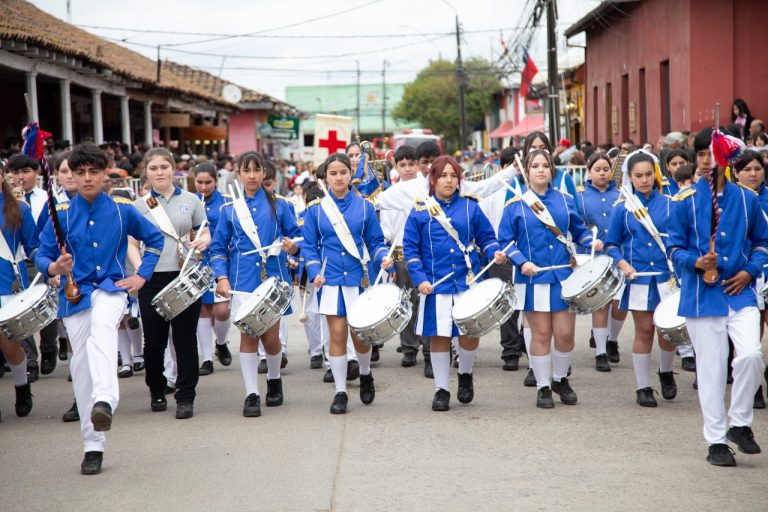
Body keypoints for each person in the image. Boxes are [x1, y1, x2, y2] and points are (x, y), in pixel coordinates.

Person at [35, 142, 164, 475]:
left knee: (104, 329)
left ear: (107, 173)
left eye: (94, 172)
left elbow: (156, 240)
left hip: (111, 288)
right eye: (81, 173)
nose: (88, 178)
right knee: (80, 364)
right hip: (74, 295)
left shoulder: (123, 209)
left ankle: (106, 400)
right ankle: (93, 445)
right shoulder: (59, 214)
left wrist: (141, 277)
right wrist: (54, 269)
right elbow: (41, 254)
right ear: (73, 177)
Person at [667, 128, 768, 466]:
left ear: (727, 160)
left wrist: (749, 271)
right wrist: (695, 262)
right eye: (701, 155)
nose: (708, 161)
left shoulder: (747, 199)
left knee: (752, 355)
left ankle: (739, 423)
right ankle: (715, 441)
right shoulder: (683, 201)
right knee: (710, 370)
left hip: (740, 293)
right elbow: (674, 247)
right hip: (701, 296)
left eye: (713, 154)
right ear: (696, 160)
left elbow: (762, 242)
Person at [499, 149, 600, 409]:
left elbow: (578, 231)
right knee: (541, 333)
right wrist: (522, 262)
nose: (541, 170)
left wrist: (591, 241)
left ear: (552, 171)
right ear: (527, 171)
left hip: (564, 275)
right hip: (534, 278)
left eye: (546, 166)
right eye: (535, 166)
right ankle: (543, 387)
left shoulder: (565, 201)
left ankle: (559, 379)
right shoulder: (515, 205)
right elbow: (506, 241)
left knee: (565, 334)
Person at [404, 156, 506, 411]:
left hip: (468, 281)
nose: (449, 180)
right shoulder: (420, 210)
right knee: (439, 336)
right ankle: (441, 389)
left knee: (469, 334)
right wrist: (420, 280)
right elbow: (411, 250)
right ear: (433, 179)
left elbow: (487, 237)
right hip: (435, 283)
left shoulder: (471, 207)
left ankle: (465, 373)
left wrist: (494, 251)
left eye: (453, 175)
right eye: (443, 176)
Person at [301, 153, 393, 414]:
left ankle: (365, 373)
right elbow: (309, 246)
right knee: (337, 334)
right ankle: (340, 391)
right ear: (325, 177)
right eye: (333, 173)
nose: (339, 177)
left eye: (343, 172)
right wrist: (315, 269)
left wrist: (383, 256)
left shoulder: (364, 207)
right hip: (330, 280)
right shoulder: (316, 209)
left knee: (361, 335)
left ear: (350, 175)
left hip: (358, 278)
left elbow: (375, 241)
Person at [211, 152, 300, 417]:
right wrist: (222, 277)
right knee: (248, 335)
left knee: (271, 338)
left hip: (273, 279)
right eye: (246, 170)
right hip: (242, 281)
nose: (251, 175)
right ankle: (252, 394)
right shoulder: (228, 210)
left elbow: (296, 239)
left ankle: (274, 379)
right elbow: (217, 249)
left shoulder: (281, 205)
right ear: (238, 173)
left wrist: (292, 246)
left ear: (264, 173)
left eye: (256, 170)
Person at [133, 147, 210, 420]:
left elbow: (204, 229)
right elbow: (132, 243)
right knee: (154, 342)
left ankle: (186, 395)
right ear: (146, 172)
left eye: (164, 167)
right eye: (153, 168)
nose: (159, 173)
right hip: (152, 279)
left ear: (173, 169)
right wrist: (140, 271)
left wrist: (204, 240)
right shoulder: (139, 206)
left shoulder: (191, 200)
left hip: (184, 276)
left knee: (185, 339)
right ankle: (156, 388)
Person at [605, 151, 678, 407]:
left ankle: (666, 372)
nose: (644, 180)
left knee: (667, 332)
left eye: (649, 174)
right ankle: (643, 387)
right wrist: (622, 262)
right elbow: (611, 244)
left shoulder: (671, 203)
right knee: (644, 329)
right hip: (638, 278)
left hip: (666, 278)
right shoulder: (622, 209)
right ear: (630, 178)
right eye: (638, 176)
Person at [6, 154, 54, 380]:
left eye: (25, 172)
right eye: (15, 173)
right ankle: (30, 363)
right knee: (16, 322)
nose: (19, 177)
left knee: (43, 310)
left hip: (33, 262)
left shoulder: (45, 198)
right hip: (13, 265)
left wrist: (49, 264)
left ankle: (49, 349)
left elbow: (38, 238)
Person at [478, 146, 526, 371]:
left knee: (528, 302)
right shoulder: (494, 192)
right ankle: (511, 349)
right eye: (511, 167)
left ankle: (526, 340)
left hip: (527, 254)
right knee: (507, 302)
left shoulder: (528, 189)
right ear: (503, 168)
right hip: (502, 255)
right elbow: (485, 224)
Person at [575, 152, 624, 372]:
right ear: (589, 172)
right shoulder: (581, 196)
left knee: (620, 303)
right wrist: (589, 240)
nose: (602, 173)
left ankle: (612, 339)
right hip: (594, 256)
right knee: (601, 303)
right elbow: (576, 225)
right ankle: (601, 352)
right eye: (597, 169)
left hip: (620, 254)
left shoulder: (622, 195)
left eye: (606, 169)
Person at [0, 159, 39, 421]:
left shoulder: (19, 209)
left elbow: (35, 246)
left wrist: (51, 267)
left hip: (8, 283)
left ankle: (22, 384)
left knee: (9, 346)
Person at [732, 150, 768, 409]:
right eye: (747, 170)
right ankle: (752, 385)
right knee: (751, 331)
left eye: (757, 169)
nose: (753, 174)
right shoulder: (732, 200)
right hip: (745, 273)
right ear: (736, 173)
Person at [193, 163, 232, 376]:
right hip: (197, 261)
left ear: (216, 181)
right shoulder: (190, 202)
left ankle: (222, 342)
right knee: (203, 309)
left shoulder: (227, 203)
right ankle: (207, 358)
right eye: (199, 182)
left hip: (221, 260)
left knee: (222, 310)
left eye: (208, 182)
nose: (203, 186)